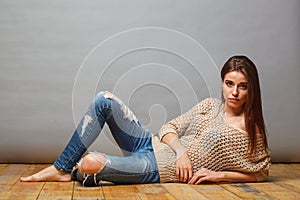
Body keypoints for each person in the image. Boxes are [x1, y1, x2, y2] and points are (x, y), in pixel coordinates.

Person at [20, 55, 271, 186]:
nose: (234, 92)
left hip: (158, 169)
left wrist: (219, 177)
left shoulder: (251, 132)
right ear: (222, 83)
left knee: (89, 165)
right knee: (103, 99)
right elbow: (168, 127)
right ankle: (61, 168)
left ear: (252, 89)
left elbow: (260, 173)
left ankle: (74, 171)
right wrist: (181, 151)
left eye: (242, 86)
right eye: (229, 84)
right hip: (149, 144)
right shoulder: (209, 106)